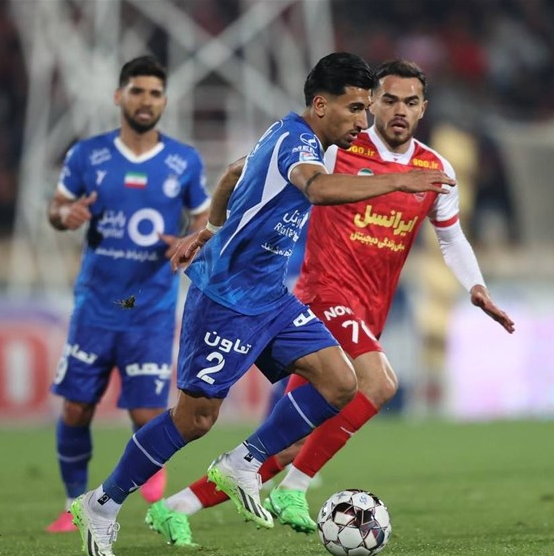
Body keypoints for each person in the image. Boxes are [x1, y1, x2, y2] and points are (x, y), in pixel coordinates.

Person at [69, 52, 454, 556]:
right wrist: (398, 179)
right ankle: (101, 505)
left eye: (366, 109)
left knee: (342, 382)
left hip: (269, 296)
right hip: (225, 298)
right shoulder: (299, 143)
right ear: (322, 105)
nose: (364, 122)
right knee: (194, 419)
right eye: (356, 109)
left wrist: (210, 230)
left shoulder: (301, 137)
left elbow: (233, 174)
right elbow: (317, 189)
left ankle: (242, 462)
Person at [142, 59, 516, 547]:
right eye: (388, 100)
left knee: (293, 440)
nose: (398, 111)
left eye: (410, 102)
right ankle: (293, 490)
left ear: (423, 108)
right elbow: (242, 171)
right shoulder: (337, 148)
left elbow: (450, 237)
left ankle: (176, 507)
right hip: (322, 295)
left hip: (370, 310)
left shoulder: (435, 170)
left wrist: (475, 285)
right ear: (373, 102)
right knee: (379, 382)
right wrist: (211, 230)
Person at [45, 55, 210, 533]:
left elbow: (203, 216)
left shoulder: (183, 160)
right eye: (137, 91)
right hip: (96, 306)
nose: (146, 100)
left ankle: (144, 483)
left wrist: (192, 239)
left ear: (164, 101)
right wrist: (66, 215)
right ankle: (73, 503)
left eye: (155, 93)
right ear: (120, 96)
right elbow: (57, 208)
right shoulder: (87, 155)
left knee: (146, 412)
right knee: (76, 408)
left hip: (149, 307)